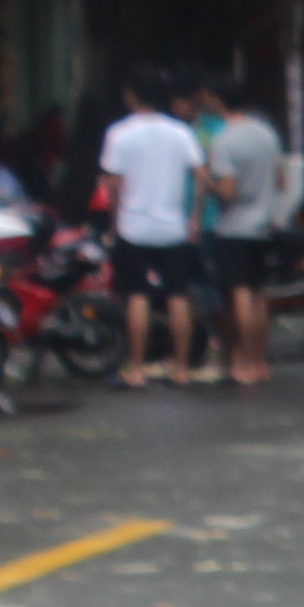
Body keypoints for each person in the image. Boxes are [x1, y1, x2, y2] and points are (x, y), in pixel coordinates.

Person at [95, 69, 207, 385]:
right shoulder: (180, 132)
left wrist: (113, 225)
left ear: (131, 95)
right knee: (178, 295)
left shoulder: (119, 134)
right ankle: (182, 367)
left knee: (137, 296)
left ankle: (136, 368)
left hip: (133, 226)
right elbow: (201, 177)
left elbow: (113, 187)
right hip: (173, 227)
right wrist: (193, 217)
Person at [201, 76, 296, 383]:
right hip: (263, 225)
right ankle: (259, 361)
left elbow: (227, 191)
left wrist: (206, 182)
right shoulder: (266, 133)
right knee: (259, 294)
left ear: (218, 101)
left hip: (233, 227)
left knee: (239, 294)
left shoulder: (224, 140)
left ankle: (241, 361)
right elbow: (281, 180)